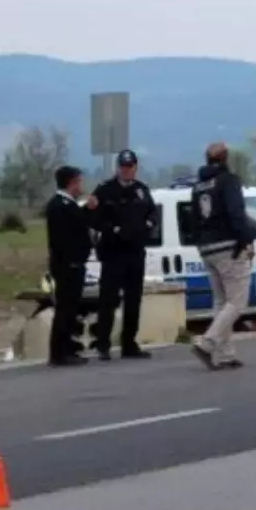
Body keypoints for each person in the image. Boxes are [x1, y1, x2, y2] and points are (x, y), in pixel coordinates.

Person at [189, 142, 253, 370]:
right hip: (227, 245)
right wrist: (246, 239)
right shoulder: (228, 180)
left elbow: (194, 219)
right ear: (225, 158)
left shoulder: (197, 186)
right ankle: (207, 343)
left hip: (207, 247)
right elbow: (236, 212)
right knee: (237, 301)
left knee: (221, 300)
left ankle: (225, 354)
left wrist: (200, 242)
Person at [91, 149, 157, 361]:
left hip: (135, 252)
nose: (127, 170)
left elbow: (153, 215)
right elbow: (93, 218)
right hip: (113, 252)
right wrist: (113, 230)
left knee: (133, 300)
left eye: (130, 167)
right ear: (118, 167)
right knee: (108, 300)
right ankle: (103, 344)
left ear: (136, 168)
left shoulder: (142, 191)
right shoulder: (105, 190)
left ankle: (129, 343)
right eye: (123, 167)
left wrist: (147, 227)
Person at [44, 166, 99, 367]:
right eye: (78, 182)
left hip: (74, 264)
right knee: (65, 309)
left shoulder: (68, 205)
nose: (80, 186)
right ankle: (59, 353)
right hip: (67, 265)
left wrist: (88, 210)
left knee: (71, 309)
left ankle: (67, 348)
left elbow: (78, 221)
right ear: (71, 182)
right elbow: (64, 238)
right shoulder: (59, 206)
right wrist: (73, 260)